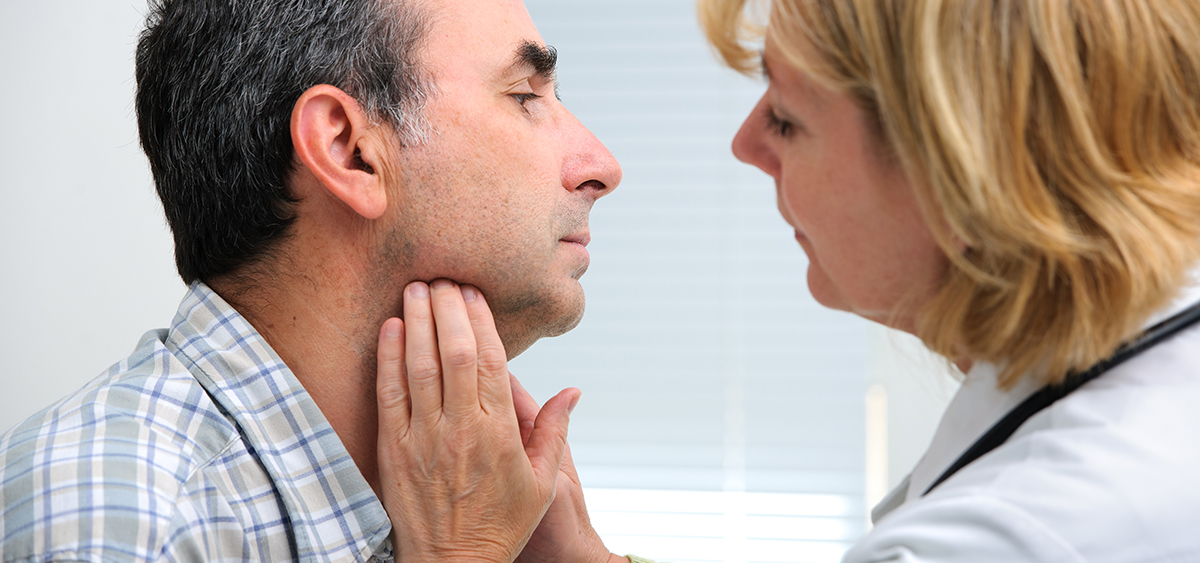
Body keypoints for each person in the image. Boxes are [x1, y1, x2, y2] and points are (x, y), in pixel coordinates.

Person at [379, 0, 1200, 561]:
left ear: (964, 176)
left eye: (787, 118)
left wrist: (463, 550)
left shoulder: (1005, 537)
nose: (746, 144)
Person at [0, 0, 621, 561]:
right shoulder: (128, 524)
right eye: (524, 96)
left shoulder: (453, 504)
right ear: (349, 149)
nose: (603, 166)